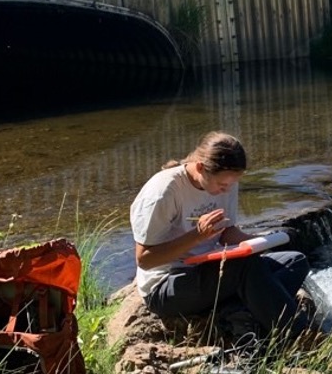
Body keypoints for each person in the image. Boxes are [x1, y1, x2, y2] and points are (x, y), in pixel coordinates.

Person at [131, 131, 314, 346]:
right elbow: (144, 259)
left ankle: (237, 312)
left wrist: (259, 242)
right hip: (166, 284)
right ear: (200, 168)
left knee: (296, 261)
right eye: (221, 185)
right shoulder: (163, 192)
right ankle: (297, 335)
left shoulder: (227, 181)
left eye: (230, 185)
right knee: (246, 268)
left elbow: (227, 233)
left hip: (210, 271)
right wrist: (197, 236)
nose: (225, 190)